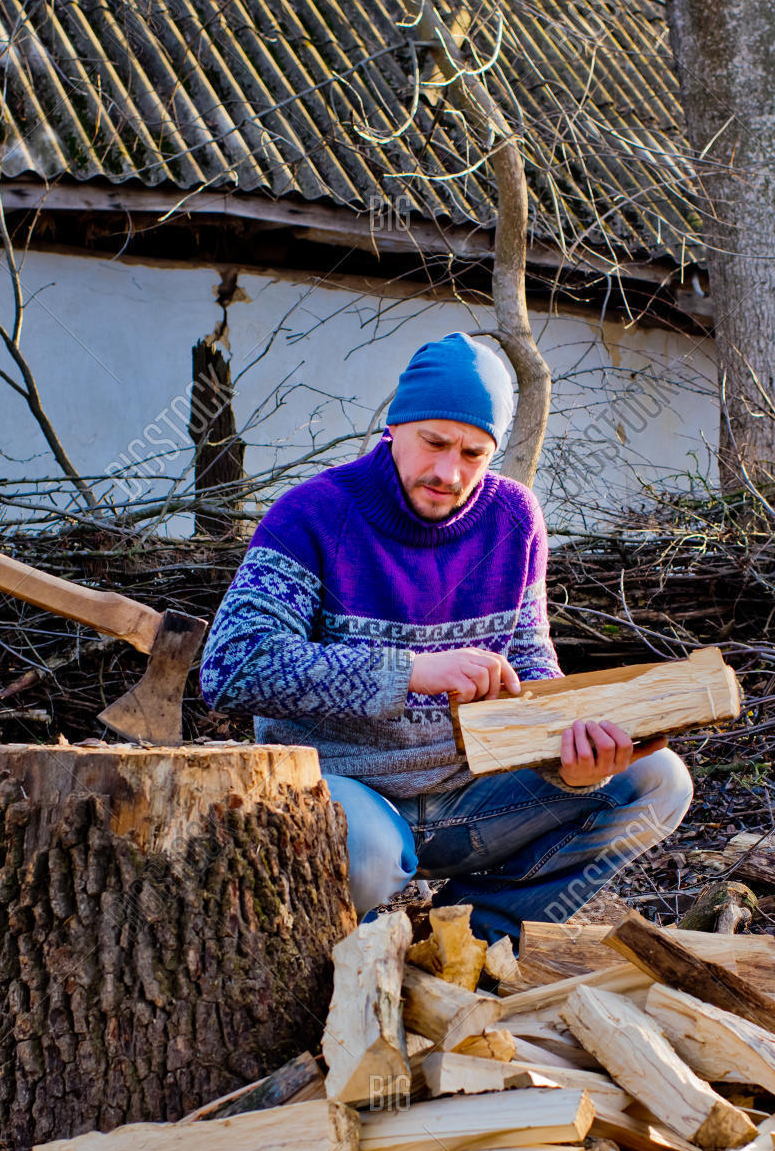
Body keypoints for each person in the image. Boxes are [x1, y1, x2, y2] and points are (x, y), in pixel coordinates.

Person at [199, 333, 693, 945]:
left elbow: (533, 664)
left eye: (473, 453)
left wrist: (576, 759)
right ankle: (348, 954)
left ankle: (471, 937)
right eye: (434, 442)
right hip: (347, 796)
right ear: (395, 424)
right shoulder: (311, 515)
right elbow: (232, 666)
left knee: (659, 781)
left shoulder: (515, 519)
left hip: (473, 798)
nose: (448, 472)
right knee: (375, 855)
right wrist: (408, 672)